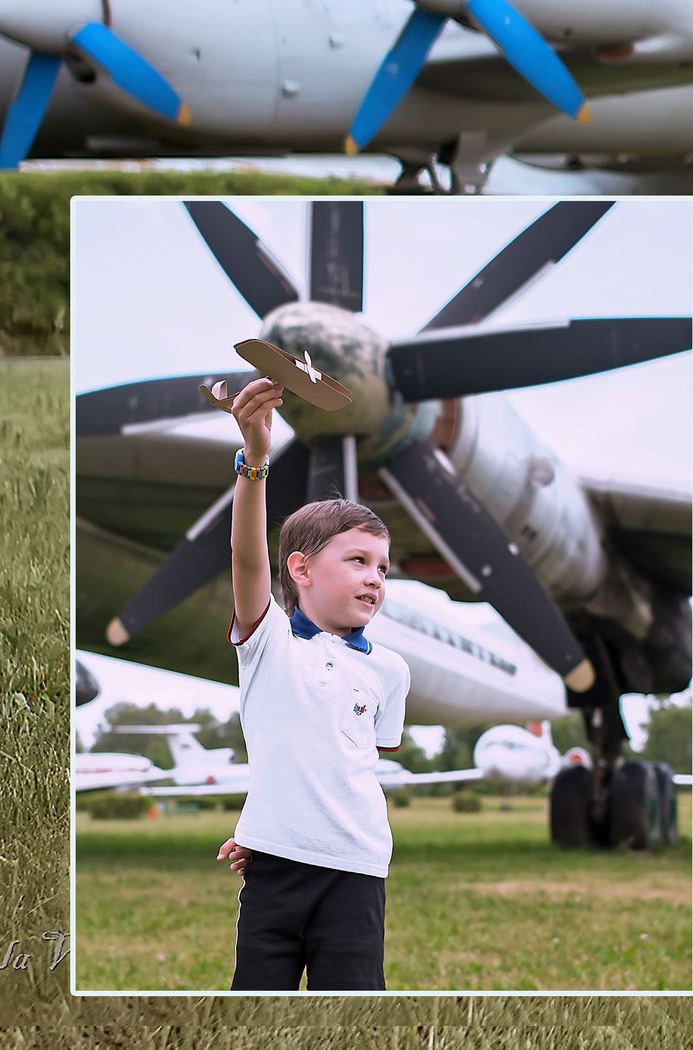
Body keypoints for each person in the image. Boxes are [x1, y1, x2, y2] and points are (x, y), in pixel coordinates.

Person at [216, 376, 409, 992]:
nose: (375, 578)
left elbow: (350, 762)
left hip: (355, 872)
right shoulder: (268, 640)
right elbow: (248, 560)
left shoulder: (390, 670)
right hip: (270, 872)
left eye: (382, 567)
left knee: (352, 1011)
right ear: (299, 569)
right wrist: (254, 463)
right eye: (357, 561)